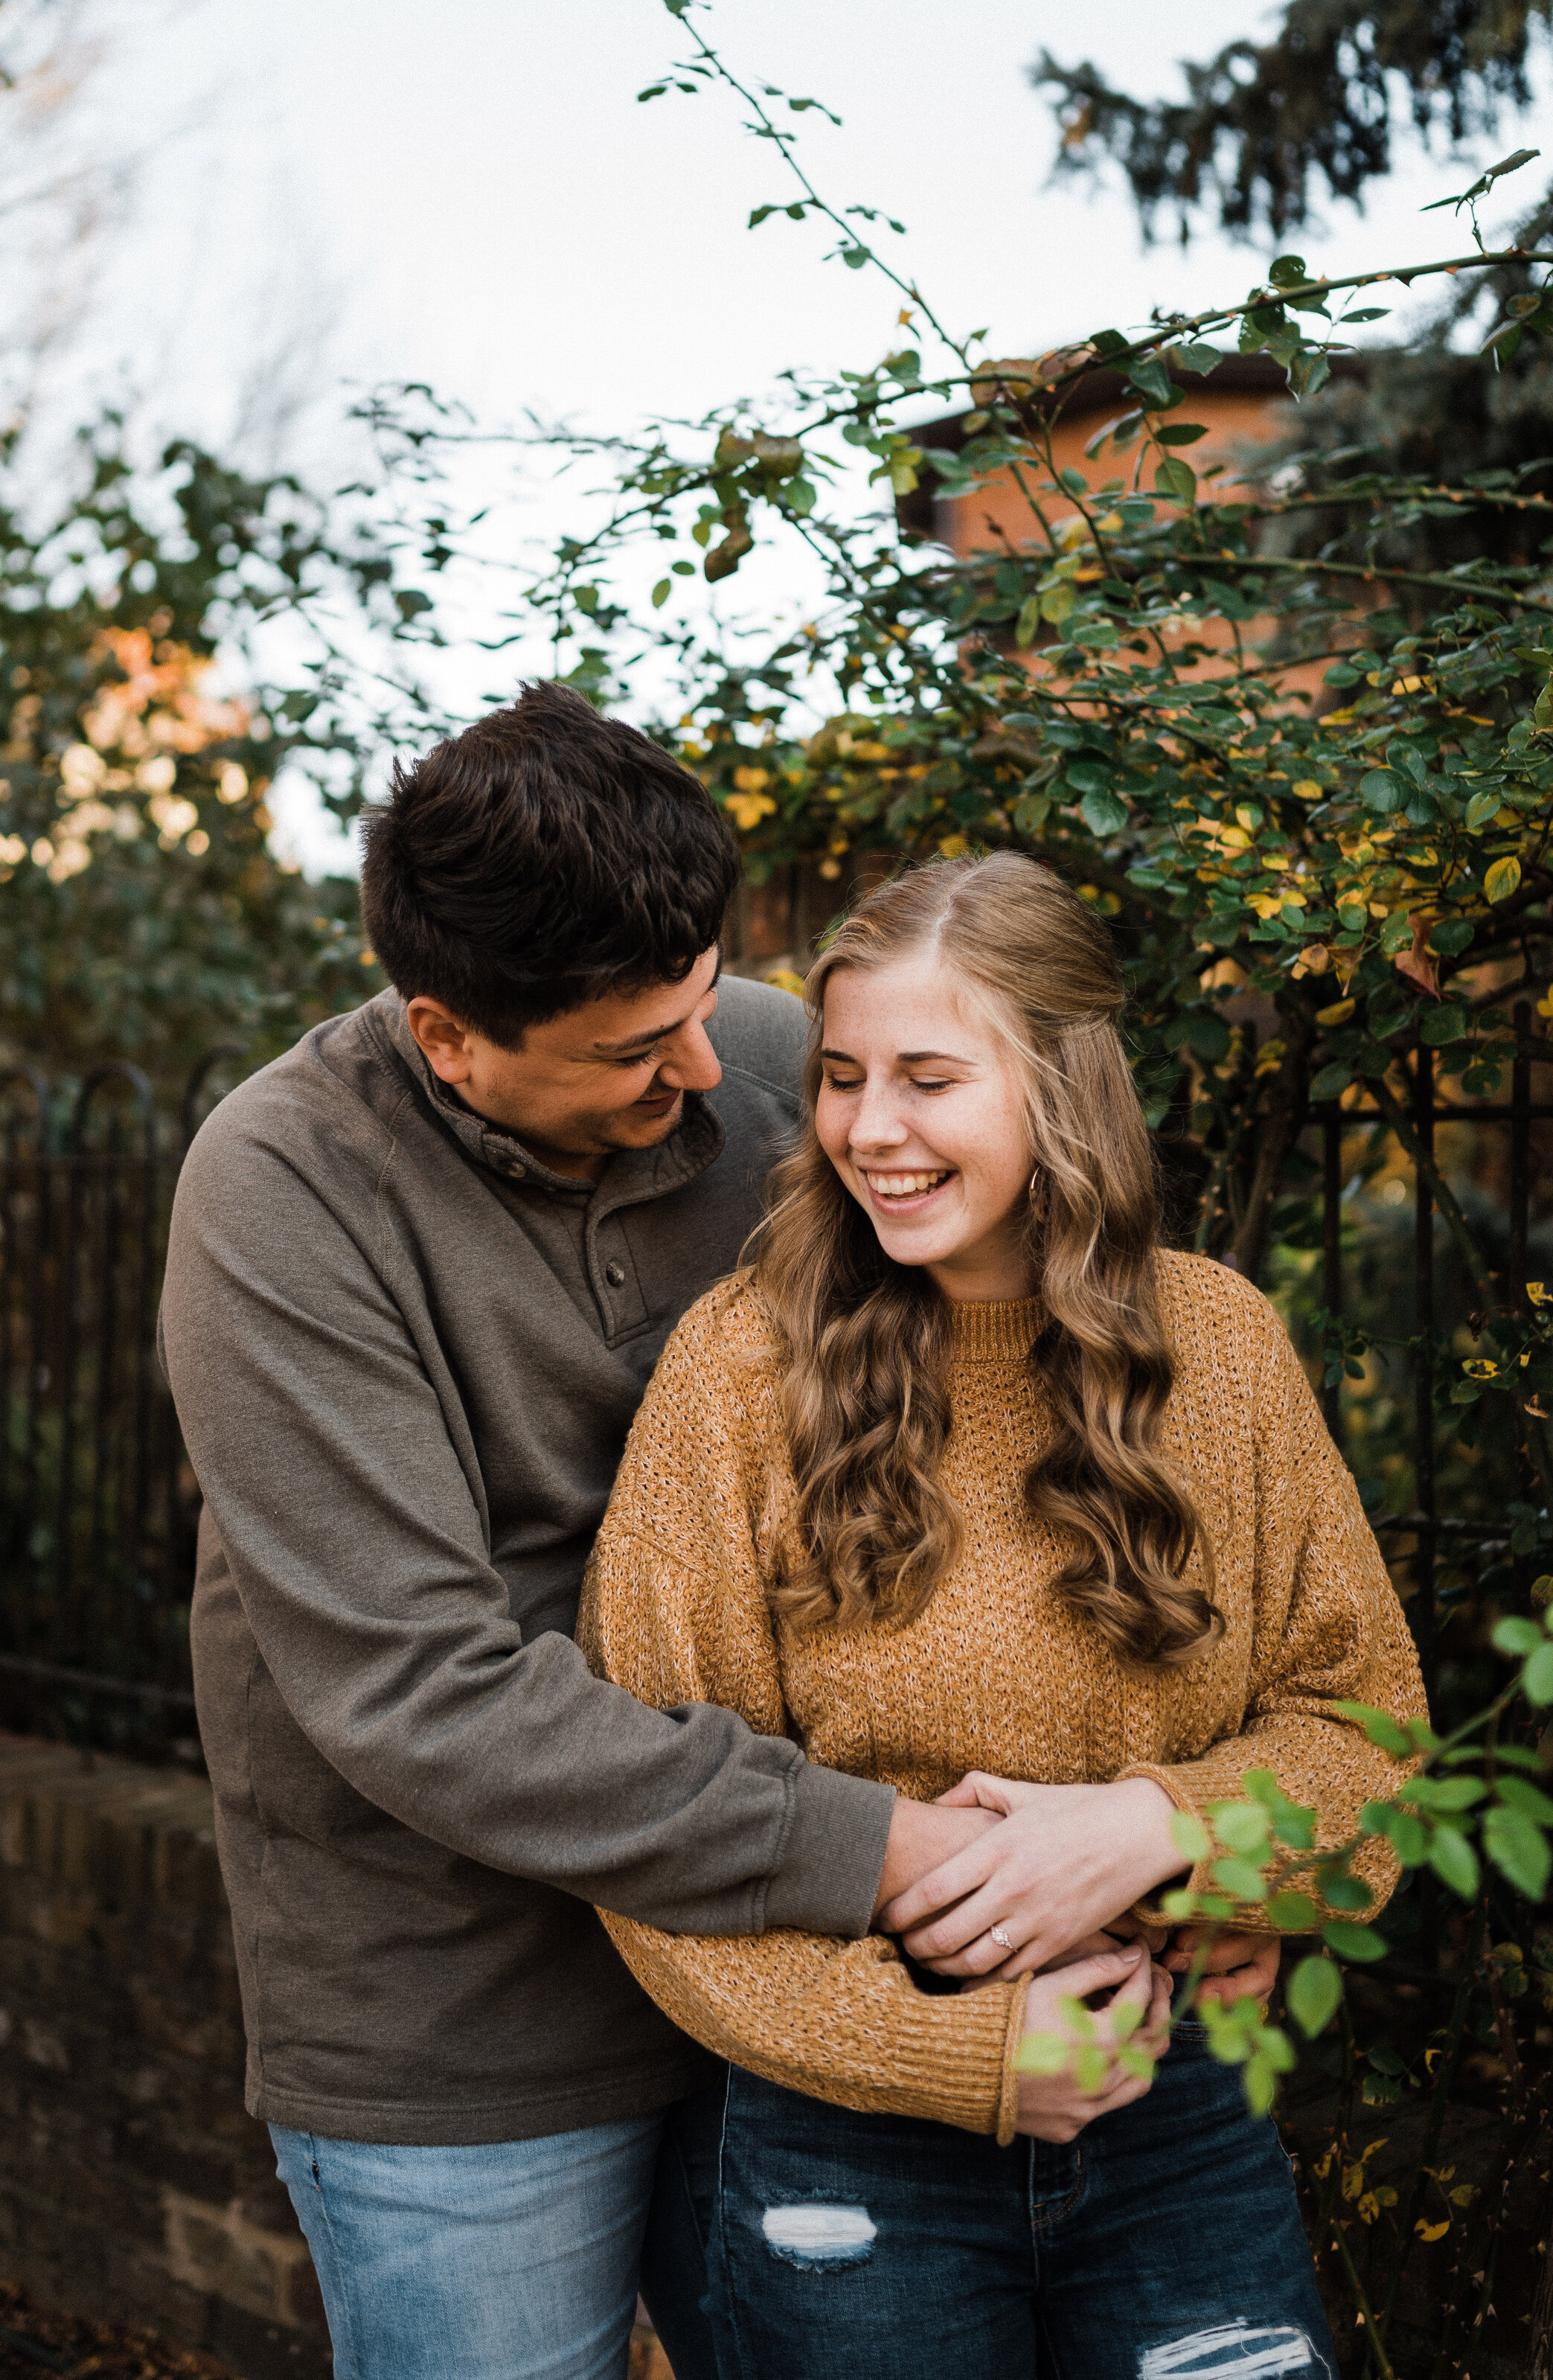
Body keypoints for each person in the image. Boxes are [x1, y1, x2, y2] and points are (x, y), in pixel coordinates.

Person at [160, 689, 1283, 2380]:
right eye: (634, 1049)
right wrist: (937, 1859)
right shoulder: (282, 1191)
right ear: (449, 1035)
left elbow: (1011, 1419)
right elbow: (421, 1690)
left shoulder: (779, 1064)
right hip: (474, 2008)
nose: (707, 1069)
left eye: (701, 1000)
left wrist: (1164, 1835)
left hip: (815, 1980)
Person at [583, 851, 1426, 2380]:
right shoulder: (741, 1366)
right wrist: (954, 2052)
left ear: (1059, 1087)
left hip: (1174, 2116)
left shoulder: (1218, 1350)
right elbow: (649, 1810)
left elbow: (1369, 1742)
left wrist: (1157, 1825)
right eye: (840, 1077)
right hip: (845, 2132)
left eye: (926, 1077)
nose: (868, 1128)